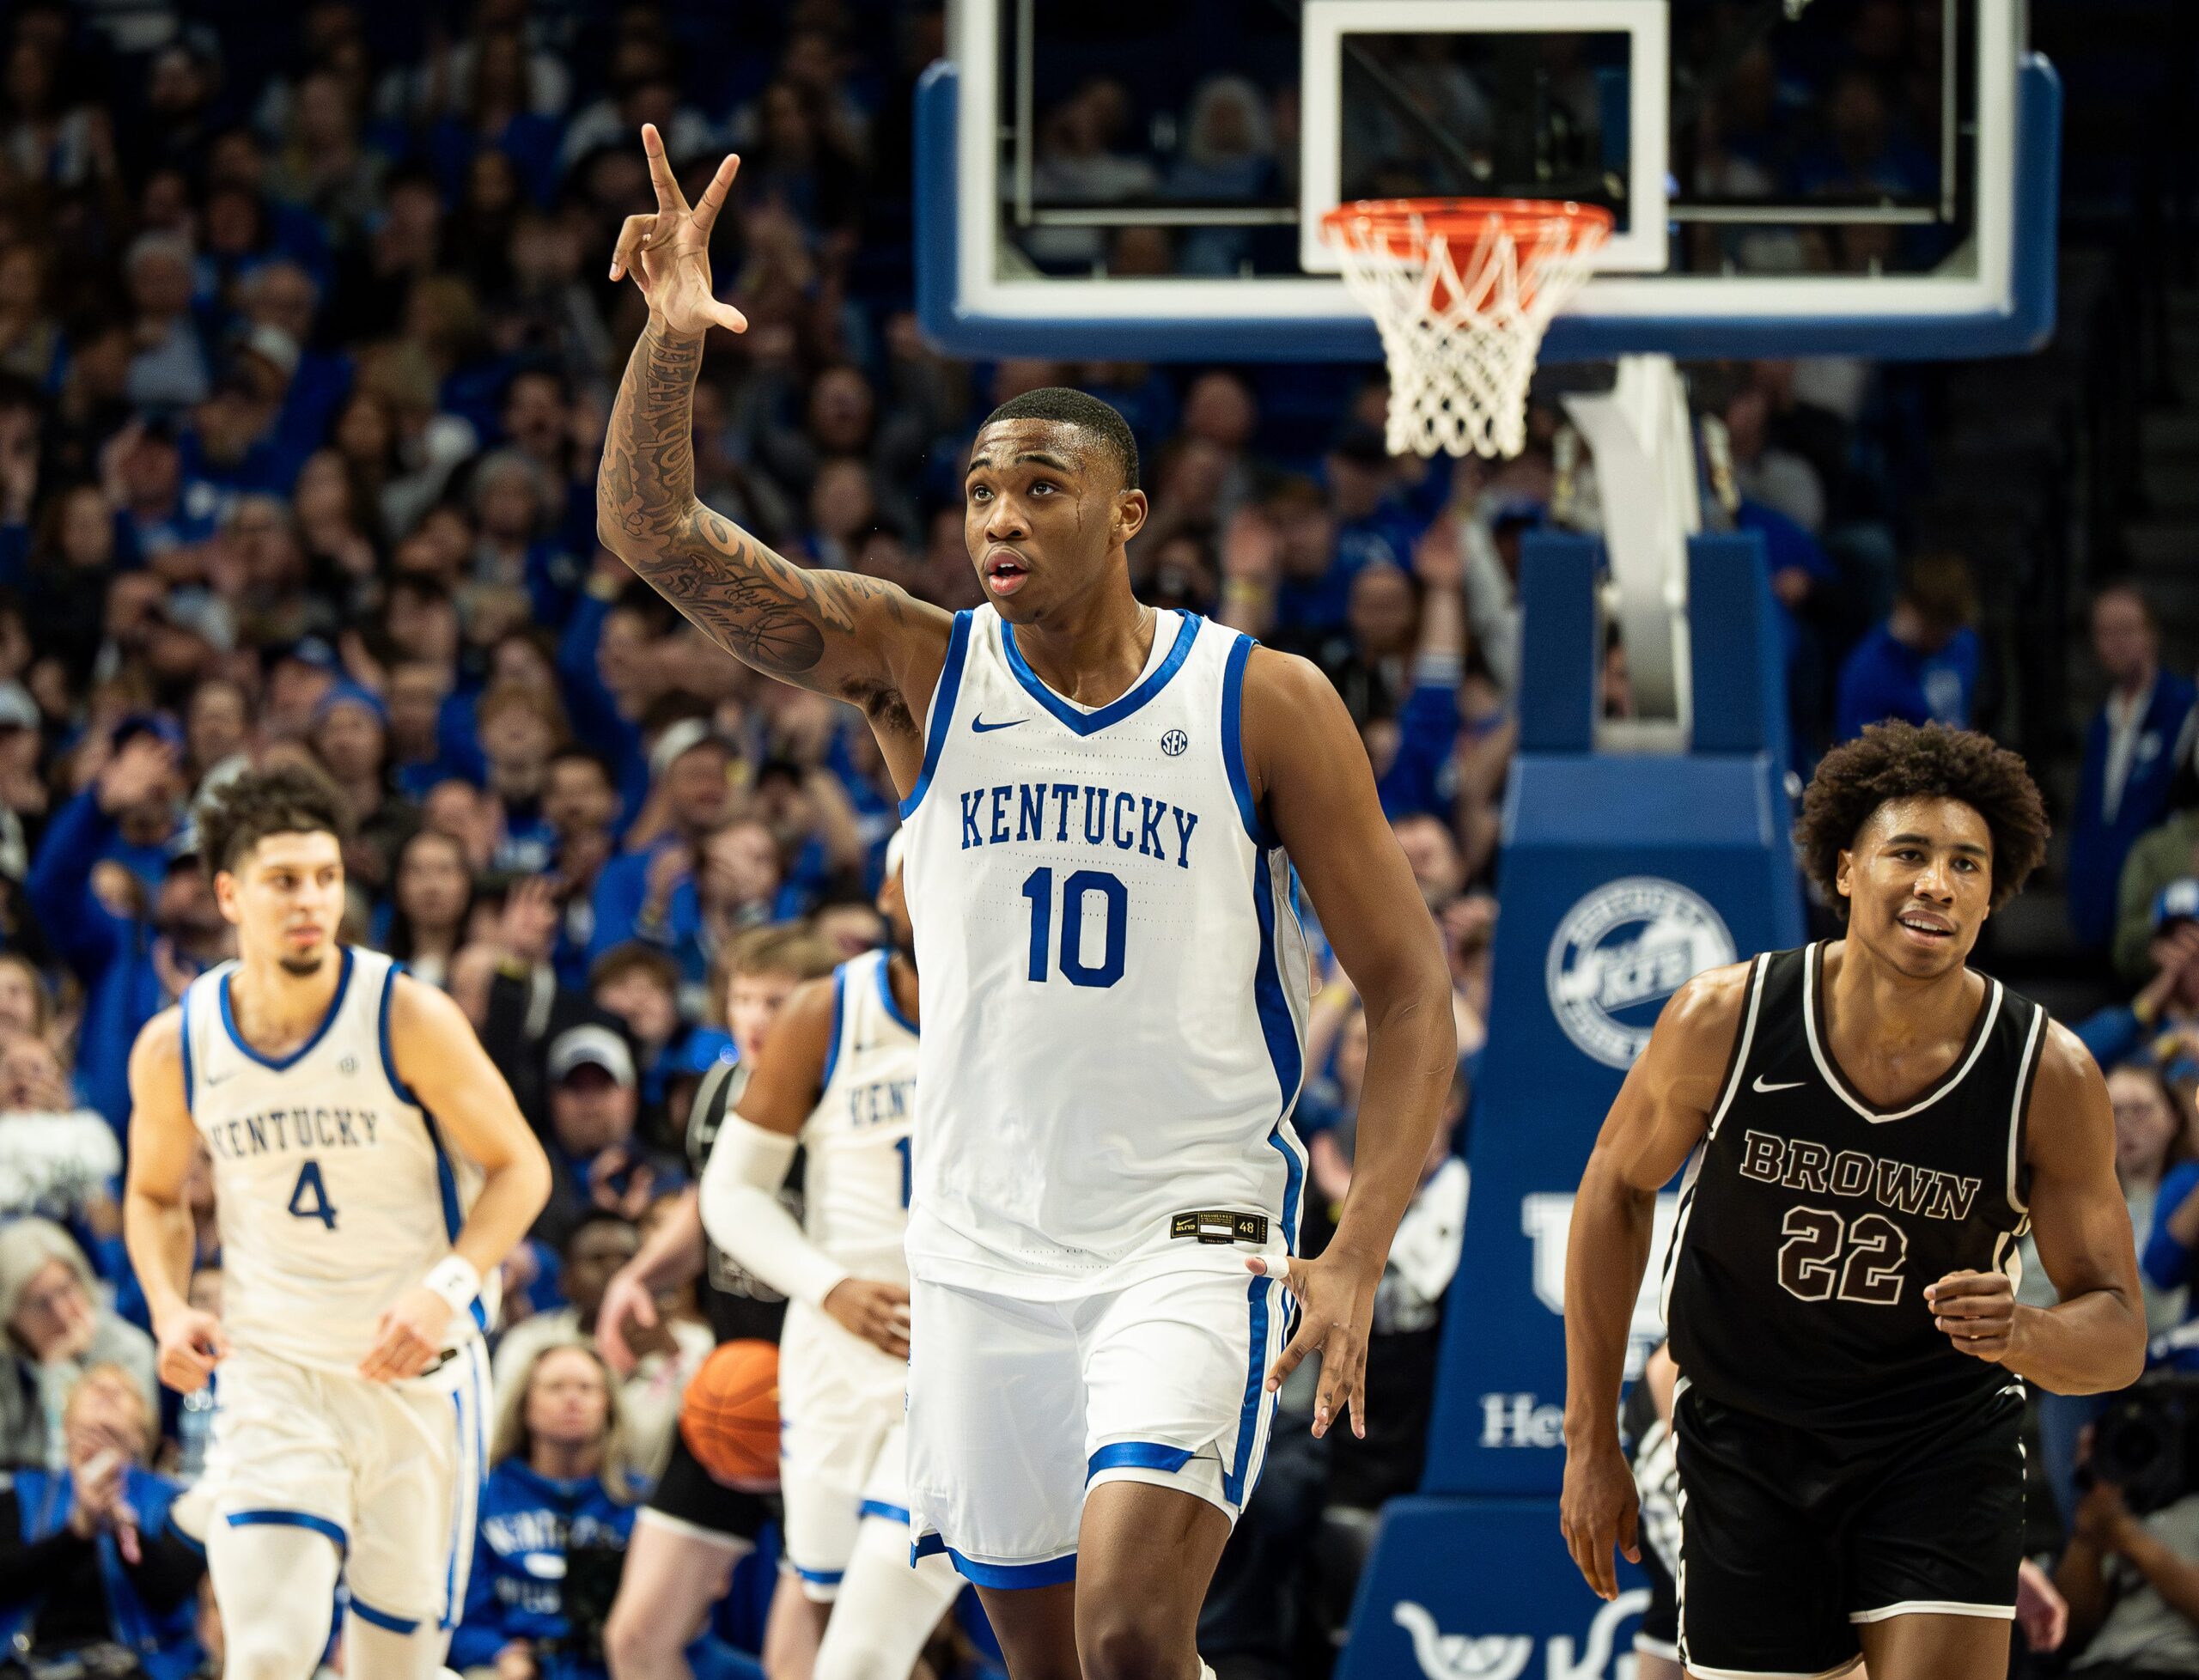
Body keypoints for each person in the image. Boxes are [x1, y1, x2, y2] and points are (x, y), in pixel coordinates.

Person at [598, 125, 1454, 1679]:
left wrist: (1359, 1240)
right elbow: (654, 538)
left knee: (1136, 1632)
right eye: (981, 487)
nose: (998, 514)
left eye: (1041, 485)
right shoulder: (919, 667)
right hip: (979, 1245)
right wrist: (669, 346)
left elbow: (1408, 991)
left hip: (1191, 1229)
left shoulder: (1264, 701)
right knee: (1053, 1666)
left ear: (1127, 514)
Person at [1560, 721, 2147, 1680]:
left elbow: (2118, 1333)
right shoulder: (1726, 1019)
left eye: (1966, 863)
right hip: (1747, 1439)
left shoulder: (2048, 1074)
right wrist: (1590, 1442)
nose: (1935, 883)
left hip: (1937, 1442)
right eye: (1907, 854)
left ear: (1990, 893)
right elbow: (1614, 1192)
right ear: (1843, 868)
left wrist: (2024, 1335)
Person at [119, 764, 552, 1680]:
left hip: (417, 1382)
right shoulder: (178, 1043)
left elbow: (522, 1169)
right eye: (284, 881)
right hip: (274, 1378)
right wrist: (166, 1305)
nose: (311, 899)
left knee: (389, 1672)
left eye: (326, 876)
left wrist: (447, 1288)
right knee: (269, 1656)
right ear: (231, 894)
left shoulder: (405, 1015)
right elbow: (156, 1195)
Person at [692, 839, 961, 1680]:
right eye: (926, 870)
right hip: (834, 1360)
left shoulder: (1025, 1005)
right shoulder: (826, 1011)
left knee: (860, 1656)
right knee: (833, 1620)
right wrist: (829, 1286)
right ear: (887, 891)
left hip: (960, 1362)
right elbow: (729, 1195)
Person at [592, 923, 838, 1680]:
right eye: (743, 1000)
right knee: (637, 1639)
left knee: (818, 1660)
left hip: (829, 1396)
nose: (758, 1020)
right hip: (735, 1391)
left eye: (778, 1001)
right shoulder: (715, 1096)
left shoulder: (856, 1107)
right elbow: (712, 1203)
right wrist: (640, 1276)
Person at [0, 1362, 207, 1680]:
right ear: (67, 1425)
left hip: (140, 1668)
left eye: (123, 1392)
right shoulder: (25, 1492)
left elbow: (174, 1591)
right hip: (29, 1666)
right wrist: (77, 1530)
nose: (107, 1392)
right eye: (94, 1386)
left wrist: (125, 1528)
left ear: (142, 1434)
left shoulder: (172, 1501)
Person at [453, 1342, 647, 1680]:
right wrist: (499, 1654)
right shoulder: (483, 1496)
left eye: (586, 1388)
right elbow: (459, 1617)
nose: (572, 1399)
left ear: (608, 1406)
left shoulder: (639, 1502)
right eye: (555, 1387)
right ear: (525, 1406)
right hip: (512, 1667)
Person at [2068, 587, 2196, 958]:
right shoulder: (2100, 722)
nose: (2116, 643)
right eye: (2105, 632)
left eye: (2127, 629)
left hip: (2157, 910)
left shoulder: (2184, 708)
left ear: (2152, 633)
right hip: (2100, 907)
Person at [0, 1217, 158, 1469]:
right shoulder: (6, 1360)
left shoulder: (128, 1350)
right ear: (10, 1316)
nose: (63, 1313)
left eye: (66, 1290)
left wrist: (60, 1372)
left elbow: (124, 1458)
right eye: (42, 1304)